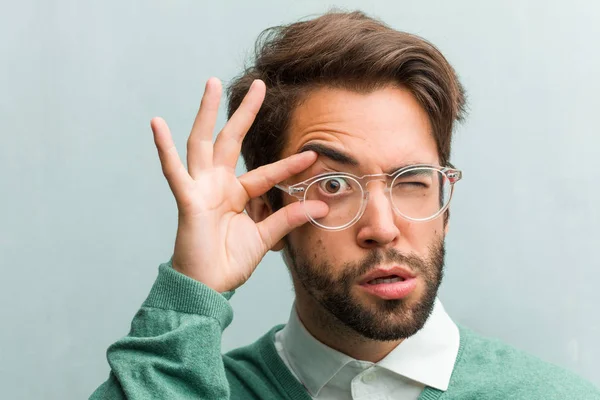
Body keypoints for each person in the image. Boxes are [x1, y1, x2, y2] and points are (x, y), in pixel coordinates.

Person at [90, 10, 600, 400]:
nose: (383, 228)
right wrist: (190, 292)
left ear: (445, 206)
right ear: (265, 210)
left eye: (411, 181)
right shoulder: (185, 384)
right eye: (333, 185)